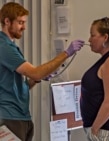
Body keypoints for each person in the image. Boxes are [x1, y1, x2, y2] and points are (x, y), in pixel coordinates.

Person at [0, 2, 84, 141]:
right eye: (20, 22)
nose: (24, 27)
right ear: (7, 21)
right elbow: (36, 72)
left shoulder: (11, 46)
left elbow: (20, 86)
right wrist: (66, 53)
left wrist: (36, 80)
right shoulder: (4, 47)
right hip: (10, 117)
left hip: (20, 116)